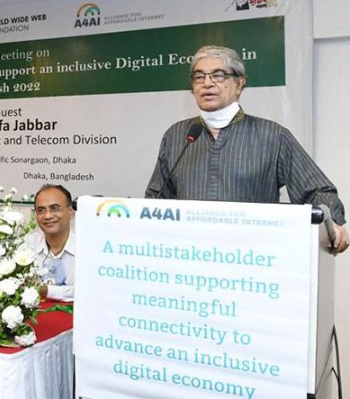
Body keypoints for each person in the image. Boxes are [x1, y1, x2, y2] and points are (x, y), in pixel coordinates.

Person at [145, 45, 349, 253]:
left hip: (251, 258)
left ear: (239, 83)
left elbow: (318, 191)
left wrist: (331, 223)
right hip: (188, 256)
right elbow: (156, 198)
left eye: (218, 75)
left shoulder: (272, 135)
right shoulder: (177, 135)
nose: (207, 83)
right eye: (199, 77)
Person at [24, 184, 75, 302]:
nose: (47, 216)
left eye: (55, 208)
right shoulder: (26, 245)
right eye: (41, 210)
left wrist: (47, 291)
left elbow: (91, 290)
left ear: (71, 212)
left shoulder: (87, 246)